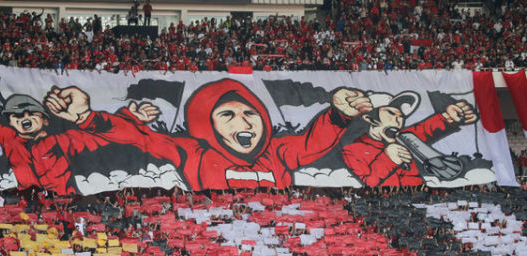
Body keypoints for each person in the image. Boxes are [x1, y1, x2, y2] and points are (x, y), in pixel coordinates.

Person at [103, 79, 371, 190]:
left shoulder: (276, 152)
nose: (244, 122)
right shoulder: (193, 150)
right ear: (209, 125)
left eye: (250, 114)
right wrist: (129, 120)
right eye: (228, 115)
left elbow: (312, 143)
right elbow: (146, 142)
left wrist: (338, 115)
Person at [0, 85, 158, 194]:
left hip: (65, 205)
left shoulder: (63, 140)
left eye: (30, 113)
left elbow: (102, 138)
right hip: (26, 204)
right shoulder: (8, 137)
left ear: (44, 120)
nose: (24, 118)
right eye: (18, 115)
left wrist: (127, 119)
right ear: (11, 121)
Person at [342, 91, 477, 186]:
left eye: (401, 116)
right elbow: (369, 182)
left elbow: (425, 128)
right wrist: (388, 159)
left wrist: (449, 116)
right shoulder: (352, 150)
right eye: (390, 113)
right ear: (369, 118)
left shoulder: (405, 137)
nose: (398, 120)